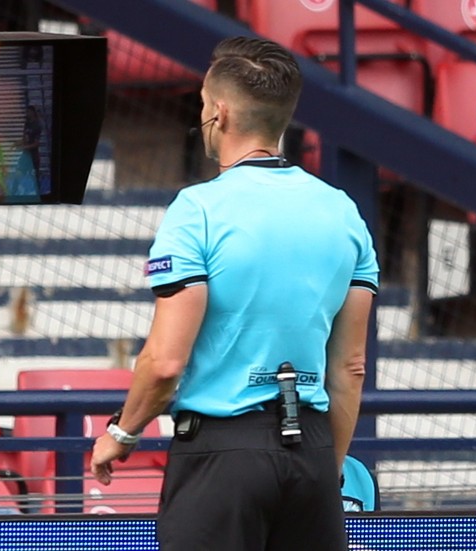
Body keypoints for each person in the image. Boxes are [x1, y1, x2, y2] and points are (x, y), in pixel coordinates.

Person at [89, 37, 379, 550]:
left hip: (220, 456)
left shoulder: (196, 210)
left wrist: (122, 433)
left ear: (218, 112)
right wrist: (320, 467)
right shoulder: (344, 213)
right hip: (311, 452)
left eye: (202, 102)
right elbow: (350, 367)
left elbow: (164, 364)